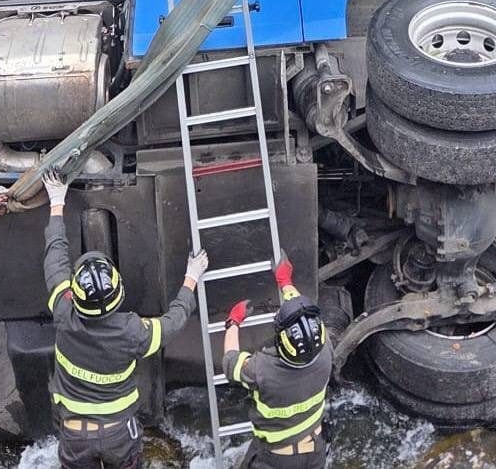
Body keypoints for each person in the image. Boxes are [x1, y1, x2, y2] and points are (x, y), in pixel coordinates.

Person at [43, 172, 209, 469]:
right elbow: (172, 322)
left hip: (74, 435)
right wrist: (191, 279)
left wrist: (57, 200)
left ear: (75, 296)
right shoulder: (132, 331)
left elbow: (55, 257)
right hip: (119, 435)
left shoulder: (63, 312)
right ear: (119, 292)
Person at [222, 254, 331, 467]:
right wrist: (286, 283)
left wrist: (232, 322)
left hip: (276, 460)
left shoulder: (262, 370)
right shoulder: (325, 350)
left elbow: (230, 362)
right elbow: (305, 320)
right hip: (314, 452)